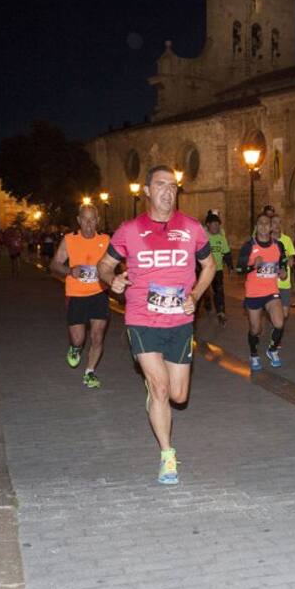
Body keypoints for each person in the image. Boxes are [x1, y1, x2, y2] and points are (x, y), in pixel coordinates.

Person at [97, 166, 214, 485]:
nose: (168, 191)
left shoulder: (191, 228)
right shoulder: (129, 230)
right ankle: (167, 455)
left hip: (180, 321)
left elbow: (209, 265)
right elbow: (104, 265)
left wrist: (195, 295)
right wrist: (111, 280)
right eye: (161, 185)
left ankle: (155, 393)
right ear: (147, 191)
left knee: (179, 395)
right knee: (160, 388)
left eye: (173, 186)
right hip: (142, 319)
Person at [51, 204, 110, 388]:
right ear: (79, 220)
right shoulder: (69, 240)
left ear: (97, 221)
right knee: (79, 339)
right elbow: (54, 264)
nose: (88, 224)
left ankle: (89, 372)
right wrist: (70, 270)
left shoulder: (106, 240)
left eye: (92, 220)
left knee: (97, 336)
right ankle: (75, 348)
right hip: (76, 295)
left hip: (99, 293)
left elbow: (114, 265)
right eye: (85, 219)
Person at [235, 213, 285, 370]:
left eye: (266, 223)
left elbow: (282, 264)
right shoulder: (249, 246)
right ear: (256, 227)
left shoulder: (278, 245)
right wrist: (252, 266)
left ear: (271, 227)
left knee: (279, 323)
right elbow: (239, 269)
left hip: (271, 291)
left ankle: (272, 350)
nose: (263, 226)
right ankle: (254, 353)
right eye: (260, 223)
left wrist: (283, 272)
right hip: (254, 293)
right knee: (256, 329)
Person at [202, 211, 230, 326]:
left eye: (218, 225)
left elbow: (226, 252)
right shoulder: (203, 237)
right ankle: (207, 302)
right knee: (204, 290)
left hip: (217, 269)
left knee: (219, 290)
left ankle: (221, 312)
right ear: (208, 225)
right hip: (204, 269)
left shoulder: (221, 237)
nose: (216, 227)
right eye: (214, 224)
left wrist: (230, 265)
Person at [269, 212, 295, 318]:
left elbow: (291, 255)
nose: (277, 225)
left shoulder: (287, 240)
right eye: (274, 222)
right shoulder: (267, 240)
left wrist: (290, 259)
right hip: (270, 283)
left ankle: (277, 322)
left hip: (284, 282)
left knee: (285, 313)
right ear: (270, 225)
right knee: (272, 311)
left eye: (279, 222)